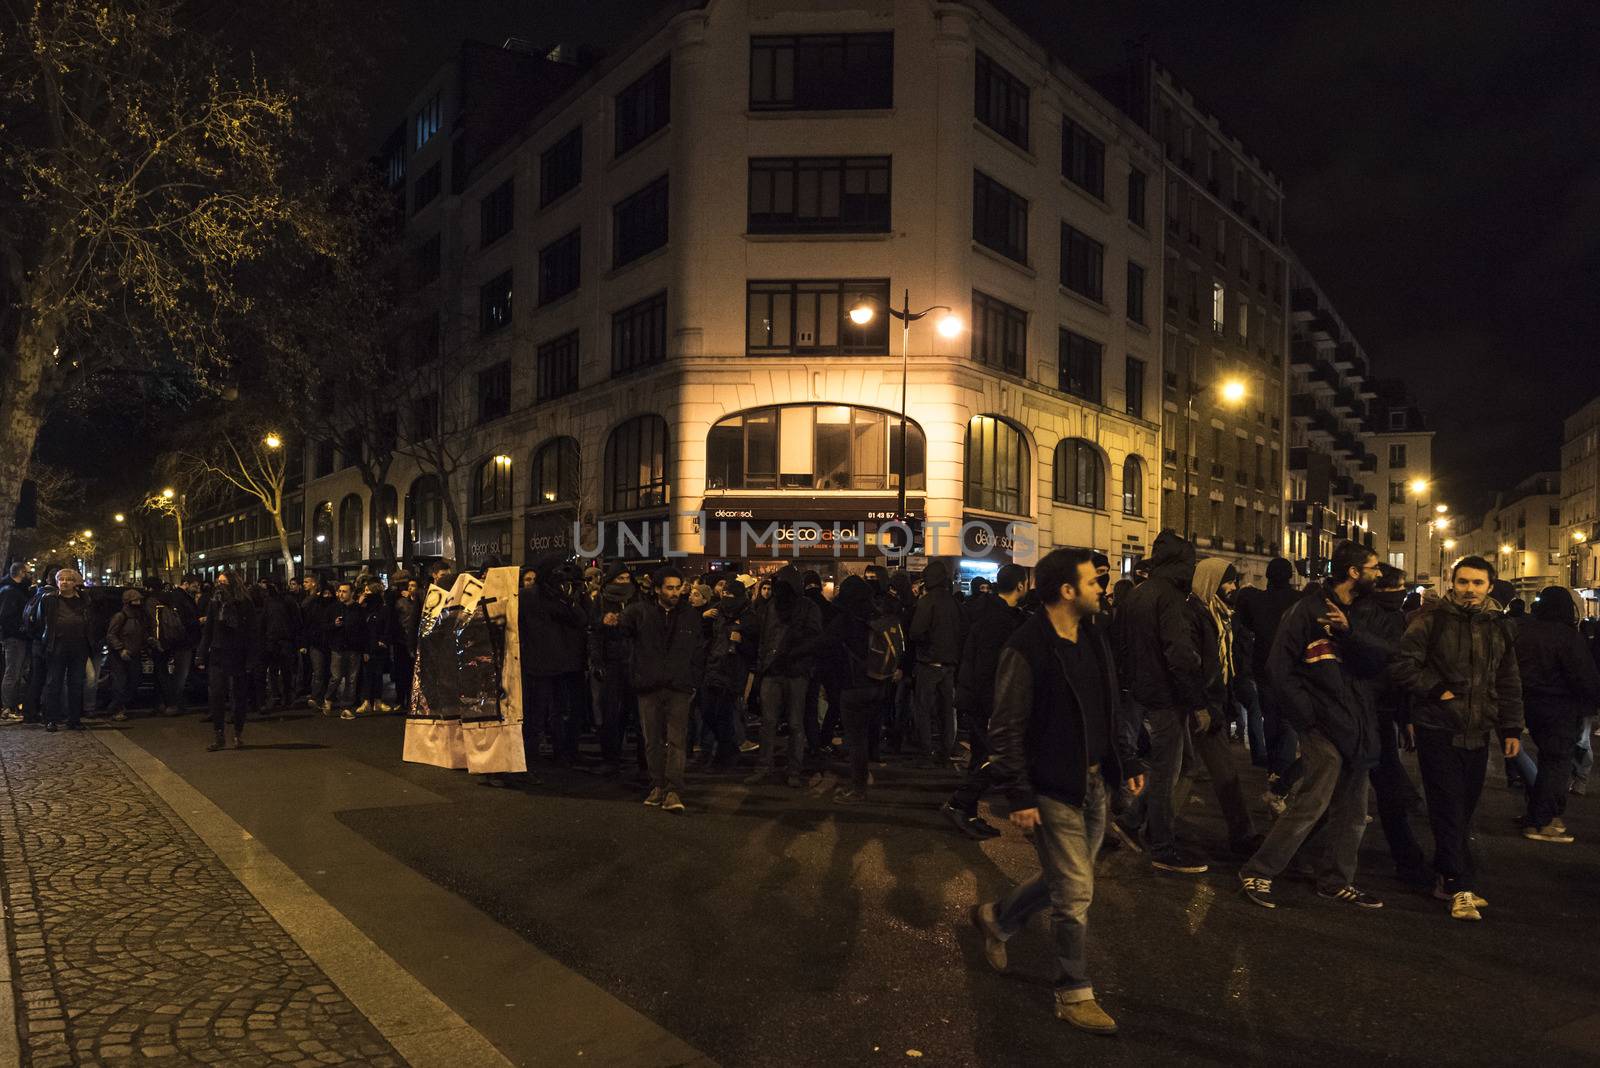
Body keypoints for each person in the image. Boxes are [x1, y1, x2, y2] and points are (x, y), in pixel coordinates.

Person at [971, 548, 1145, 1035]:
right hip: (1050, 787)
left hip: (1091, 782)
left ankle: (998, 919)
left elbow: (1105, 708)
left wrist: (1124, 760)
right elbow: (1004, 727)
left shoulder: (1092, 636)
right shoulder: (1026, 646)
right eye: (1092, 582)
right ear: (1067, 591)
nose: (1100, 589)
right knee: (1075, 894)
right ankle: (1073, 992)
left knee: (1067, 879)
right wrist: (1020, 795)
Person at [1239, 541, 1385, 910]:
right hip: (1322, 723)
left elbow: (1378, 662)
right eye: (1374, 567)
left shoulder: (1365, 612)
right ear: (1354, 572)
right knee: (1311, 802)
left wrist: (1350, 631)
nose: (1379, 574)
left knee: (1353, 811)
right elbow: (1279, 669)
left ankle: (1335, 880)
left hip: (1358, 723)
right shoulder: (1305, 611)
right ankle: (1258, 870)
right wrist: (1308, 717)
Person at [1391, 554, 1524, 921]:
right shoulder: (1429, 620)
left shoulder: (1500, 626)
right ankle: (1457, 884)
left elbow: (1508, 680)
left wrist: (1511, 728)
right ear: (1452, 582)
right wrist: (1437, 691)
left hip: (1478, 731)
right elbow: (1402, 665)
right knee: (1447, 806)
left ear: (1490, 586)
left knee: (1463, 808)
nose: (1469, 590)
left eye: (1477, 583)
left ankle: (1445, 875)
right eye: (1463, 582)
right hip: (1438, 727)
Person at [1110, 531, 1209, 873]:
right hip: (1167, 695)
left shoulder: (1136, 595)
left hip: (1144, 690)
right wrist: (1196, 701)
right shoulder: (1170, 598)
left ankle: (1131, 819)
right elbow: (1179, 654)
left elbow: (1120, 646)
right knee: (1168, 770)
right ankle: (1162, 845)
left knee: (1179, 765)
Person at [943, 563, 1030, 838]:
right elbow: (989, 668)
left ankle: (966, 811)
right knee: (994, 757)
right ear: (1020, 585)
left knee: (982, 757)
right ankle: (958, 804)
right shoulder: (998, 619)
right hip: (984, 700)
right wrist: (995, 708)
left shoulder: (990, 611)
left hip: (977, 696)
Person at [1357, 563, 1430, 884]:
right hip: (1371, 713)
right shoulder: (1379, 618)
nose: (1403, 594)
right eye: (1399, 587)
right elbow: (1391, 670)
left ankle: (1408, 858)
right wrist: (1405, 716)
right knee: (1381, 790)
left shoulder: (1379, 615)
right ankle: (1409, 861)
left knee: (1363, 789)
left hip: (1377, 713)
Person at [1182, 558, 1259, 857]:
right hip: (1203, 706)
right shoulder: (1196, 615)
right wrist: (1202, 705)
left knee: (1183, 771)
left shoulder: (1222, 615)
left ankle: (1139, 821)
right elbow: (1191, 666)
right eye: (1228, 581)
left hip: (1214, 703)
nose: (1233, 587)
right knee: (1223, 775)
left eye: (1234, 581)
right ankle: (1243, 834)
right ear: (1211, 581)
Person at [610, 567, 702, 812]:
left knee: (676, 740)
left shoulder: (689, 615)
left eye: (677, 588)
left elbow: (697, 650)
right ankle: (658, 785)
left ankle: (673, 789)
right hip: (649, 684)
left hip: (679, 685)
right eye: (669, 588)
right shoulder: (640, 612)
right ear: (658, 589)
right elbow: (619, 636)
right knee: (652, 740)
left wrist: (693, 679)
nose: (674, 593)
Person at [1514, 586, 1600, 842]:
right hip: (1559, 707)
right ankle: (1542, 821)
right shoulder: (1567, 636)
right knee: (1556, 763)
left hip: (1530, 704)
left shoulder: (1524, 632)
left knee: (1547, 761)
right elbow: (1582, 676)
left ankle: (1537, 815)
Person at [740, 564, 823, 787]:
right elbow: (764, 638)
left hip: (791, 671)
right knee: (774, 723)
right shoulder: (775, 607)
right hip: (779, 671)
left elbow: (813, 639)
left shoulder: (800, 607)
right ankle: (778, 769)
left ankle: (788, 769)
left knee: (790, 723)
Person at [1234, 557, 1302, 810]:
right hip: (1291, 670)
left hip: (1264, 669)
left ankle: (1273, 767)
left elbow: (1247, 625)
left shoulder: (1257, 601)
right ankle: (1281, 772)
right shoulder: (1298, 601)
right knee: (1289, 722)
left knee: (1270, 719)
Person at [521, 553, 589, 766]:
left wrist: (569, 598)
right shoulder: (530, 597)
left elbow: (581, 619)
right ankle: (533, 756)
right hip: (540, 664)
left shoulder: (559, 597)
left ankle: (557, 753)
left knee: (557, 712)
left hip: (558, 664)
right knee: (538, 714)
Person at [196, 569, 257, 750]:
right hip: (218, 653)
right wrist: (201, 654)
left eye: (224, 582)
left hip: (238, 654)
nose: (220, 585)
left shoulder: (245, 603)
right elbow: (208, 630)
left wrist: (251, 659)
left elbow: (252, 632)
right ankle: (219, 735)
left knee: (238, 696)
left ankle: (238, 733)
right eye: (218, 582)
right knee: (217, 695)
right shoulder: (215, 603)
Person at [591, 563, 642, 777]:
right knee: (610, 713)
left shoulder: (637, 600)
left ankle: (644, 762)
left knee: (639, 714)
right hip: (611, 663)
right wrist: (602, 622)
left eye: (626, 578)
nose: (623, 582)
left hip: (635, 661)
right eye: (619, 579)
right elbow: (593, 632)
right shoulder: (601, 601)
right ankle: (610, 758)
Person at [909, 560, 962, 766]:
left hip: (929, 663)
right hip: (950, 665)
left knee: (923, 708)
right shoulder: (955, 603)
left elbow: (916, 632)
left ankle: (926, 751)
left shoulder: (927, 602)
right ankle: (946, 750)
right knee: (947, 709)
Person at [37, 568, 92, 732]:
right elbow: (40, 622)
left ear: (75, 583)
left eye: (68, 579)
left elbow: (91, 620)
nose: (64, 582)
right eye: (61, 579)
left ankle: (74, 719)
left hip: (79, 646)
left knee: (76, 683)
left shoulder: (84, 600)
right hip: (57, 646)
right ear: (56, 582)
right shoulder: (49, 599)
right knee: (54, 683)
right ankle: (51, 719)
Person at [102, 588, 152, 722]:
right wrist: (120, 649)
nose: (138, 602)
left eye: (139, 600)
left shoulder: (138, 616)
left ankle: (118, 706)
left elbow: (141, 633)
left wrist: (148, 641)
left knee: (134, 680)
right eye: (135, 600)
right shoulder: (120, 616)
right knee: (120, 683)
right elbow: (111, 634)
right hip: (120, 655)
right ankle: (116, 708)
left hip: (133, 653)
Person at [326, 581, 368, 719]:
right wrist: (334, 624)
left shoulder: (358, 609)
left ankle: (346, 707)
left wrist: (364, 649)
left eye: (344, 591)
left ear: (351, 593)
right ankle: (328, 698)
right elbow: (324, 626)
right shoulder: (333, 608)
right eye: (340, 591)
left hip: (354, 648)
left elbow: (363, 630)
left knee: (351, 678)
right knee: (336, 677)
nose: (341, 594)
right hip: (338, 647)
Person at [0, 563, 35, 717]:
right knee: (13, 672)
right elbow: (6, 617)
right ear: (21, 572)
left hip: (17, 636)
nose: (30, 575)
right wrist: (21, 629)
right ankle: (7, 708)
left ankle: (12, 706)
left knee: (17, 672)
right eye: (28, 572)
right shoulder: (11, 592)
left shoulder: (14, 590)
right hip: (15, 638)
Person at [300, 581, 337, 713]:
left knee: (329, 673)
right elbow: (308, 625)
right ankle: (316, 697)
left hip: (331, 644)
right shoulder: (315, 607)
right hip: (316, 644)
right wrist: (304, 643)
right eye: (325, 593)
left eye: (329, 594)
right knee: (319, 672)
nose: (327, 596)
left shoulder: (335, 607)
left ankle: (326, 698)